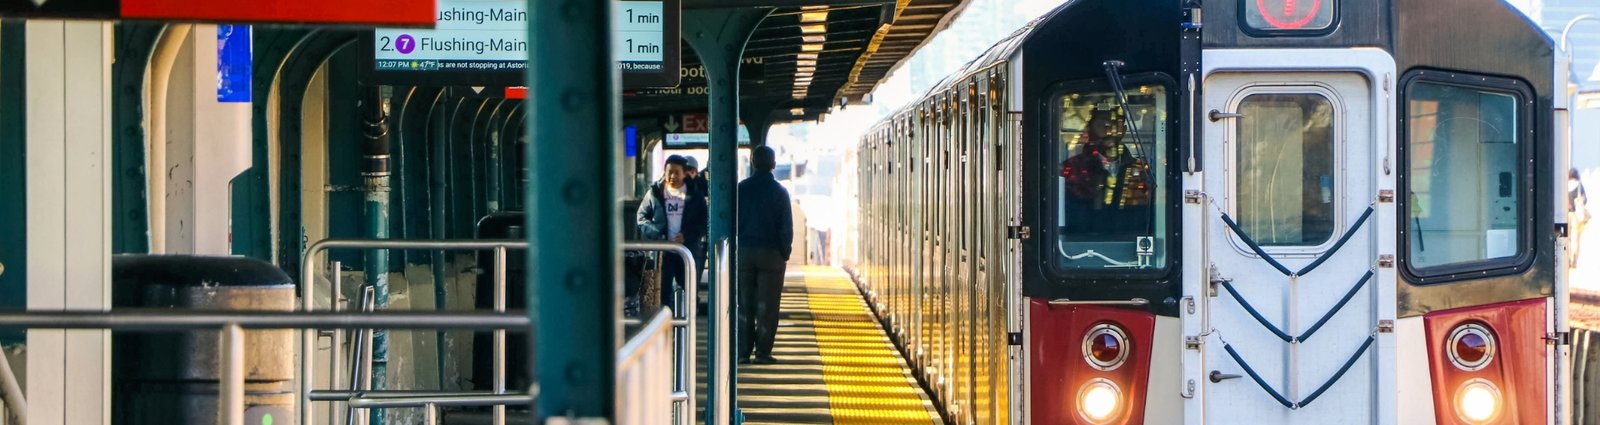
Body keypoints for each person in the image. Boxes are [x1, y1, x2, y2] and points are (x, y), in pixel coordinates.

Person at [737, 146, 793, 365]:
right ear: (773, 165)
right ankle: (762, 352)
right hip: (771, 255)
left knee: (744, 304)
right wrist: (784, 252)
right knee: (768, 306)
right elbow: (786, 227)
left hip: (744, 252)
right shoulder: (780, 192)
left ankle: (743, 353)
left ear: (752, 163)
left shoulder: (741, 189)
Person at [636, 155, 708, 311]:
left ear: (684, 173)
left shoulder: (695, 195)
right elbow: (641, 218)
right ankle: (666, 327)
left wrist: (687, 236)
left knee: (688, 290)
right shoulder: (655, 193)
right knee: (661, 292)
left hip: (687, 250)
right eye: (670, 172)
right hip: (663, 251)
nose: (673, 176)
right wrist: (656, 233)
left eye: (677, 172)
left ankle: (687, 327)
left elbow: (704, 222)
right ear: (664, 172)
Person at [1571, 168, 1589, 264]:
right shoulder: (1579, 185)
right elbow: (1585, 200)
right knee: (1576, 238)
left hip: (1563, 217)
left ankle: (1565, 257)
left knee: (1562, 237)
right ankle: (1574, 260)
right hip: (1576, 217)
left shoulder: (1563, 185)